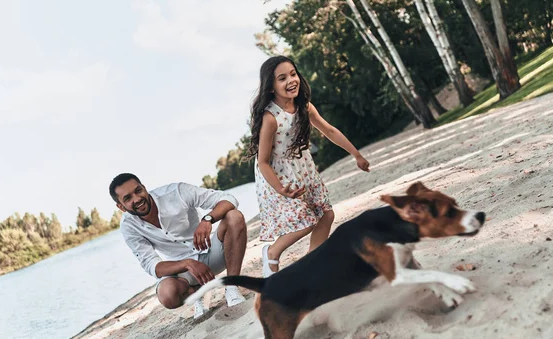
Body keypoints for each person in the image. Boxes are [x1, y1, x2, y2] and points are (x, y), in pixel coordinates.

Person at [247, 56, 370, 277]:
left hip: (303, 169)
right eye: (282, 78)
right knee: (305, 223)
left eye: (293, 74)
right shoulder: (270, 118)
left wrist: (356, 154)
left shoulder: (304, 106)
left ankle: (314, 265)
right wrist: (281, 189)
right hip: (277, 177)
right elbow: (263, 161)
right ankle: (272, 252)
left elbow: (330, 130)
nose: (291, 81)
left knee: (326, 215)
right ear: (271, 87)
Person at [109, 173, 247, 319]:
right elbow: (152, 265)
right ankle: (199, 291)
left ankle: (232, 287)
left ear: (144, 188)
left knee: (234, 216)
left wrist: (207, 220)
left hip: (212, 252)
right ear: (121, 207)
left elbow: (228, 199)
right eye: (128, 198)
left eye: (138, 191)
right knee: (168, 295)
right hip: (185, 272)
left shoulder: (176, 192)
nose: (137, 199)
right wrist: (187, 264)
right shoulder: (128, 226)